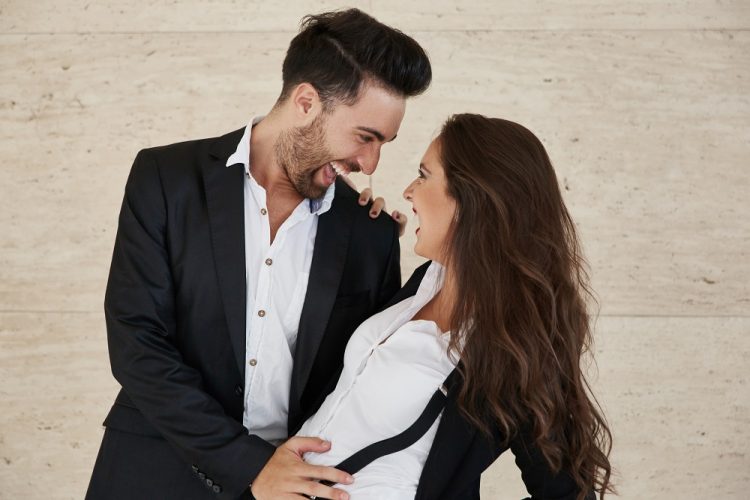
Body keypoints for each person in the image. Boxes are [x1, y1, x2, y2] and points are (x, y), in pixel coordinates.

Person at [86, 9, 432, 500]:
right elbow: (137, 343)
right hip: (152, 474)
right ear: (306, 102)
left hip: (294, 489)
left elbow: (362, 382)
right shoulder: (166, 177)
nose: (370, 163)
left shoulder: (369, 231)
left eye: (383, 144)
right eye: (365, 137)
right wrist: (250, 465)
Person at [288, 114, 614, 500]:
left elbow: (569, 493)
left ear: (471, 198)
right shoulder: (427, 280)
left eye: (424, 176)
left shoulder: (512, 344)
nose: (409, 191)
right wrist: (359, 228)